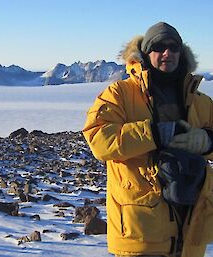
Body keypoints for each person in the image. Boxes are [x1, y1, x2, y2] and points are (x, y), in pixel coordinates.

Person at [82, 22, 213, 257]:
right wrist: (154, 133)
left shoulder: (199, 100)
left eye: (174, 47)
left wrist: (207, 141)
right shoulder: (119, 94)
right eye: (159, 47)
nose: (167, 53)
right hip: (141, 234)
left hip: (191, 232)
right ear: (145, 52)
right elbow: (99, 140)